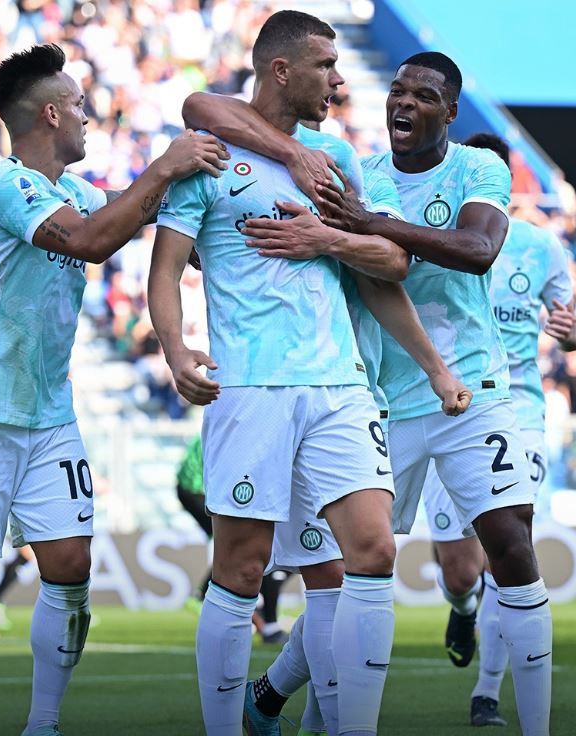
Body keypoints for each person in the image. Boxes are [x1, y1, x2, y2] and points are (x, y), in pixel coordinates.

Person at [149, 12, 467, 735]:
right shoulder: (206, 154)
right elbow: (164, 269)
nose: (340, 79)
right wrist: (177, 351)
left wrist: (434, 366)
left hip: (341, 386)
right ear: (282, 70)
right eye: (325, 64)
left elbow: (388, 268)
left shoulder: (336, 160)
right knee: (240, 566)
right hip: (253, 387)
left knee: (373, 550)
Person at [237, 52, 553, 736]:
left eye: (424, 95)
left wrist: (367, 221)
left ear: (450, 112)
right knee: (356, 576)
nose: (404, 103)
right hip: (378, 399)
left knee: (510, 541)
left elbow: (476, 249)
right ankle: (273, 695)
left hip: (474, 388)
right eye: (399, 91)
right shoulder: (360, 176)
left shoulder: (477, 167)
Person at [0, 43, 228, 736]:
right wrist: (166, 165)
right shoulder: (2, 185)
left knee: (70, 564)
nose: (90, 117)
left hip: (48, 414)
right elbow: (91, 241)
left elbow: (138, 217)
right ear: (51, 113)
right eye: (81, 106)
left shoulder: (78, 192)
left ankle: (44, 725)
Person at [419, 132, 576, 727]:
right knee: (461, 570)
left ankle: (487, 692)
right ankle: (461, 607)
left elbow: (575, 325)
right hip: (441, 403)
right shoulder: (438, 231)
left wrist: (572, 332)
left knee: (508, 550)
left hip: (516, 412)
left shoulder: (542, 248)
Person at [177, 433, 291, 644]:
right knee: (247, 544)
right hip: (196, 488)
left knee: (244, 545)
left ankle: (259, 617)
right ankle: (265, 623)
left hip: (192, 487)